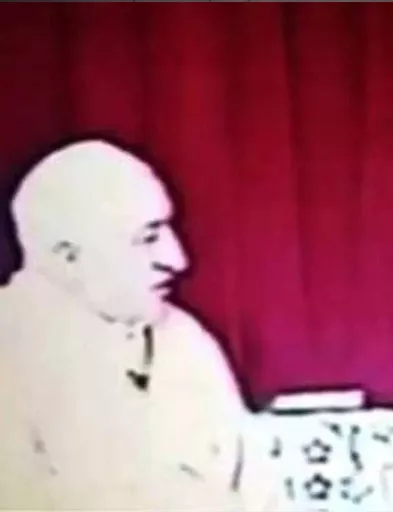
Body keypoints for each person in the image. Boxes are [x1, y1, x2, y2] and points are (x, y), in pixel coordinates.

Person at [0, 138, 291, 510]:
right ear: (68, 258)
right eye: (147, 238)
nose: (176, 259)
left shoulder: (183, 336)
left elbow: (259, 490)